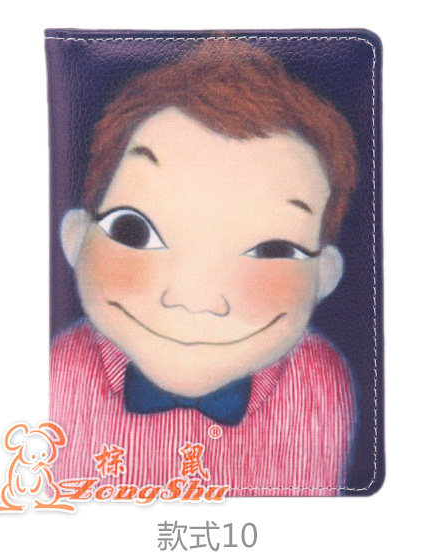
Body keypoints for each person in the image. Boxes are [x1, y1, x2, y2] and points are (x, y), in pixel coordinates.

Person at [51, 39, 358, 496]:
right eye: (134, 230)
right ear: (76, 238)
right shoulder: (60, 375)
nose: (194, 299)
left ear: (323, 277)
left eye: (273, 249)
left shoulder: (317, 385)